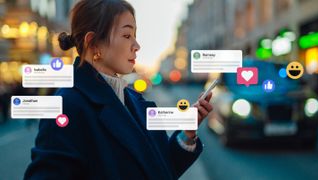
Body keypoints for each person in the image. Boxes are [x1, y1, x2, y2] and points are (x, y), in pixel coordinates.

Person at [24, 0, 213, 179]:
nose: (137, 46)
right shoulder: (68, 106)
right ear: (93, 43)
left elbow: (159, 169)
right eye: (126, 35)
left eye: (135, 36)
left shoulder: (133, 99)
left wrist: (187, 134)